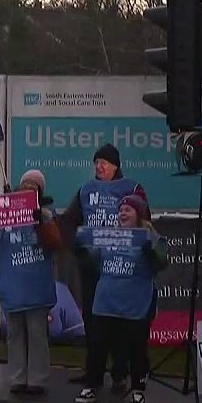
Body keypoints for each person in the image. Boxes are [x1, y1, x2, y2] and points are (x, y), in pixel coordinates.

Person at [74, 190, 167, 403]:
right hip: (106, 302)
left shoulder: (150, 236)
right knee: (97, 346)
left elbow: (162, 263)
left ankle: (138, 390)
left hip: (135, 304)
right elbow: (92, 260)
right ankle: (92, 385)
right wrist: (80, 251)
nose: (122, 213)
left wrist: (150, 252)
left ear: (139, 214)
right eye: (121, 210)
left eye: (128, 209)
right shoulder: (109, 235)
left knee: (136, 349)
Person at [57, 144, 137, 387]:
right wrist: (78, 248)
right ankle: (93, 372)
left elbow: (143, 221)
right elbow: (68, 222)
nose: (99, 166)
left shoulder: (131, 190)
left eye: (104, 162)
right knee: (93, 320)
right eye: (96, 162)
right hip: (92, 267)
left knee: (118, 320)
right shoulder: (86, 191)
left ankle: (120, 373)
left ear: (116, 166)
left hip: (120, 267)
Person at [0, 170, 62, 395]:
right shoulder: (5, 217)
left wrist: (39, 222)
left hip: (35, 283)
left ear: (39, 191)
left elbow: (54, 244)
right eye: (25, 184)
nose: (28, 188)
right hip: (12, 283)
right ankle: (17, 378)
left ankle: (37, 380)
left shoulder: (47, 216)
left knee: (37, 333)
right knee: (15, 333)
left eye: (34, 186)